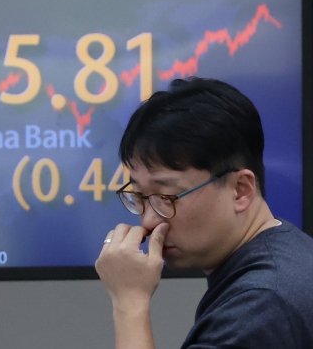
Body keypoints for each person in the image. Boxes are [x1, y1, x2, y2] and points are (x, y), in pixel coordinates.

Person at [95, 77, 313, 349]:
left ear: (240, 190)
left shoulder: (262, 305)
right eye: (139, 196)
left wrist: (129, 302)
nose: (149, 221)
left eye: (166, 196)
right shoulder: (287, 255)